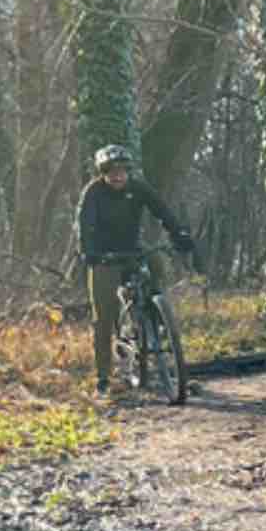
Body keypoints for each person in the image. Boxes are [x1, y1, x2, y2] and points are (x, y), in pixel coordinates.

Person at [78, 144, 195, 397]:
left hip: (132, 248)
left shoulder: (138, 187)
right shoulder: (93, 193)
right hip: (104, 256)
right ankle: (103, 377)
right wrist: (89, 251)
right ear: (103, 173)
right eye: (112, 172)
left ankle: (157, 315)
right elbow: (84, 225)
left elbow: (161, 210)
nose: (118, 177)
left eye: (122, 171)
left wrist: (179, 233)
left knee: (157, 263)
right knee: (104, 317)